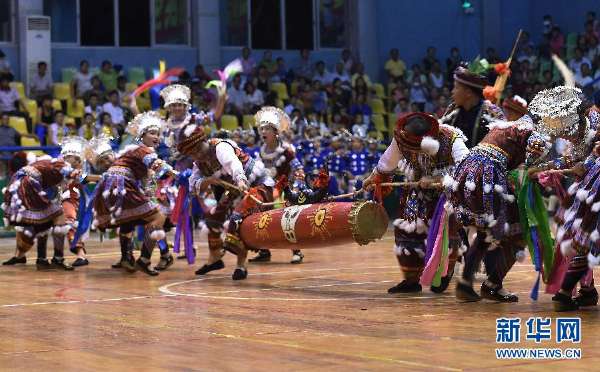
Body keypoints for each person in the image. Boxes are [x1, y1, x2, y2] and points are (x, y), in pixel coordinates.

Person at [363, 112, 469, 293]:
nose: (411, 152)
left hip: (447, 194)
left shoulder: (451, 138)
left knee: (445, 234)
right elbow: (388, 161)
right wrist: (375, 177)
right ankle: (411, 280)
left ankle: (443, 273)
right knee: (406, 230)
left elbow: (467, 166)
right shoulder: (401, 138)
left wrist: (440, 178)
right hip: (416, 190)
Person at [177, 119, 272, 280]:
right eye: (192, 153)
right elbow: (194, 184)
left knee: (238, 218)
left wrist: (241, 179)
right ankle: (215, 258)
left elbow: (233, 163)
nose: (197, 155)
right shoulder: (198, 162)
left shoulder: (220, 146)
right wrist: (210, 181)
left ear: (204, 141)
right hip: (234, 190)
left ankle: (241, 265)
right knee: (213, 219)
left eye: (198, 149)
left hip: (256, 184)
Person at [91, 113, 175, 276]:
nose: (156, 136)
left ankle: (129, 257)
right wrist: (174, 172)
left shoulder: (132, 152)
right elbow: (156, 164)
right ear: (142, 135)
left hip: (112, 186)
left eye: (158, 133)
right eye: (152, 133)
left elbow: (145, 179)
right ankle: (145, 259)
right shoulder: (143, 150)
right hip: (121, 184)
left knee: (128, 220)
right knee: (158, 217)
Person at [249, 107, 309, 264]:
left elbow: (299, 169)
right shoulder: (260, 151)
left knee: (286, 221)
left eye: (267, 128)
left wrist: (295, 187)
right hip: (266, 190)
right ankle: (263, 251)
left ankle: (297, 251)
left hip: (283, 190)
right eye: (262, 128)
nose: (263, 131)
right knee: (260, 218)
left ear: (275, 131)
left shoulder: (286, 151)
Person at [1, 153, 80, 270]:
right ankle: (57, 259)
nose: (78, 161)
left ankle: (41, 259)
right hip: (27, 186)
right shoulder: (61, 165)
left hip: (17, 185)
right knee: (59, 218)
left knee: (44, 220)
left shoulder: (43, 164)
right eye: (76, 159)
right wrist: (94, 177)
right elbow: (73, 174)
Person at [440, 66, 505, 147]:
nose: (452, 91)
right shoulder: (452, 112)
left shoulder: (491, 113)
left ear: (468, 93)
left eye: (456, 87)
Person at [0, 112, 21, 178]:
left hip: (13, 155)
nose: (6, 121)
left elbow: (21, 135)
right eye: (4, 119)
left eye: (7, 119)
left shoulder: (12, 129)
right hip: (1, 155)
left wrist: (33, 135)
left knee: (18, 161)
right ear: (1, 120)